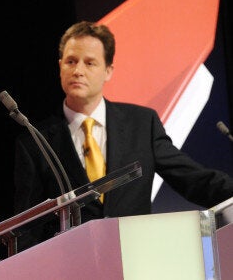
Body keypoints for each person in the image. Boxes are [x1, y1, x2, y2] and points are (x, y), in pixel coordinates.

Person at [12, 20, 233, 250]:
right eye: (71, 61)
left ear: (108, 71)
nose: (78, 70)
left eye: (90, 63)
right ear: (60, 66)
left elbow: (194, 179)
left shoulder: (142, 123)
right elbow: (27, 228)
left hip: (138, 258)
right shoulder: (35, 142)